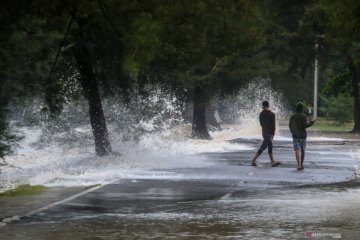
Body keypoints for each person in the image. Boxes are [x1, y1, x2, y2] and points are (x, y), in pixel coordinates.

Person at [251, 100, 280, 167]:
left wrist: (265, 130)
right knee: (263, 147)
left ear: (263, 106)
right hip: (269, 133)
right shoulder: (272, 114)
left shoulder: (261, 114)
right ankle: (253, 160)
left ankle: (272, 161)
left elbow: (261, 124)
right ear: (268, 106)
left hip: (264, 132)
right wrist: (272, 135)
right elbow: (273, 126)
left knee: (270, 147)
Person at [289, 102, 315, 170]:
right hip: (302, 136)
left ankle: (298, 164)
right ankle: (302, 164)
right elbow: (304, 126)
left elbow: (290, 125)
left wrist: (293, 132)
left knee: (297, 149)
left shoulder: (293, 116)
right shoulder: (303, 116)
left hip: (295, 136)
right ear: (302, 108)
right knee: (303, 150)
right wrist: (311, 123)